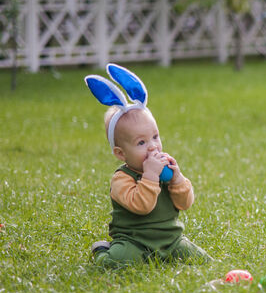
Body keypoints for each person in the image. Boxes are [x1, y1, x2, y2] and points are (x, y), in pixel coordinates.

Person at [85, 65, 210, 267]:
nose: (152, 146)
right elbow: (141, 207)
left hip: (171, 240)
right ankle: (101, 251)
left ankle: (174, 251)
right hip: (135, 242)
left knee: (202, 260)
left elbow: (185, 204)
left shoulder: (163, 169)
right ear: (120, 153)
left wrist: (177, 179)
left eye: (155, 137)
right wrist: (150, 176)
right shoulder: (121, 179)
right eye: (141, 143)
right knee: (117, 262)